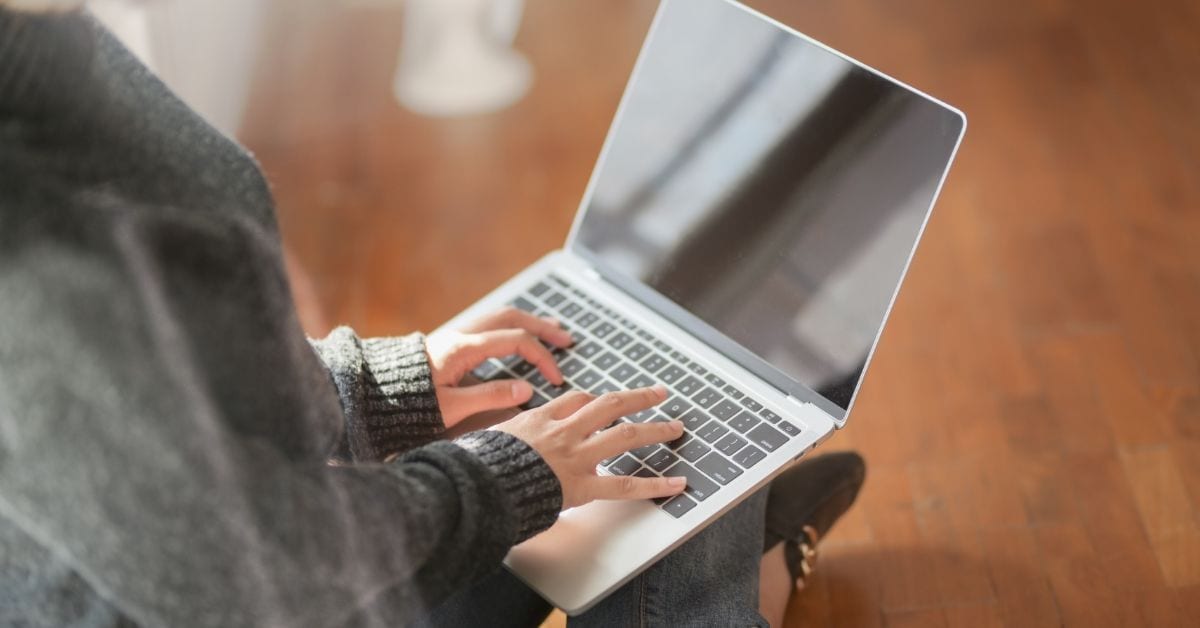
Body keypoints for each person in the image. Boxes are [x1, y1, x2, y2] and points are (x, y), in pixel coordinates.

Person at [0, 4, 865, 626]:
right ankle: (751, 573)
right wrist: (505, 481)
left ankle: (728, 557)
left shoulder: (39, 33)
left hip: (235, 550)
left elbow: (166, 387)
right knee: (649, 478)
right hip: (255, 594)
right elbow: (244, 577)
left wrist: (371, 387)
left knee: (633, 441)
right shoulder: (27, 267)